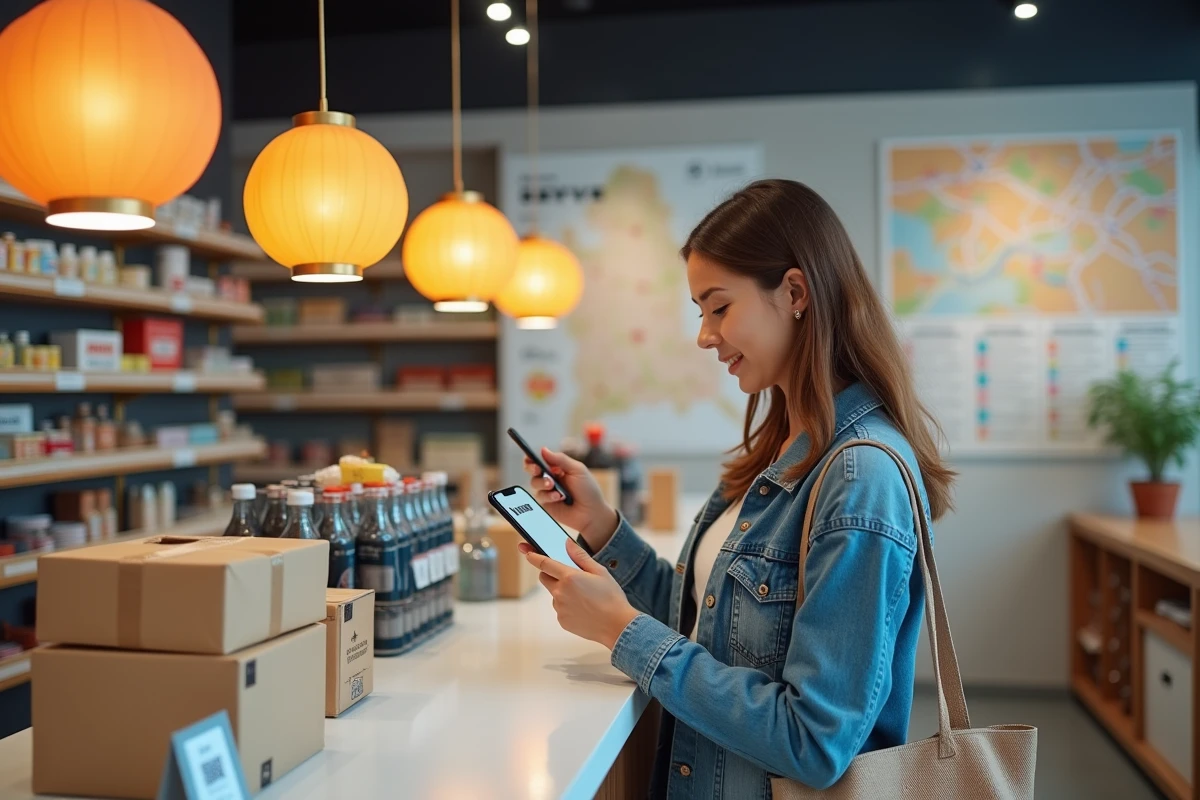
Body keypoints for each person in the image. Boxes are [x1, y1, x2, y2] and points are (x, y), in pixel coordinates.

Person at [519, 178, 956, 798]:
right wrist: (602, 527)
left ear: (796, 291)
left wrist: (622, 633)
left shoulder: (861, 477)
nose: (704, 335)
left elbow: (815, 741)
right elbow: (707, 623)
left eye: (719, 307)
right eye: (701, 312)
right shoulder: (780, 451)